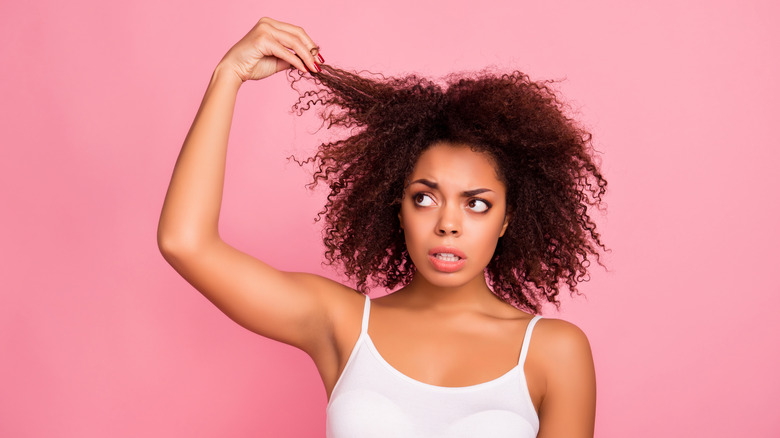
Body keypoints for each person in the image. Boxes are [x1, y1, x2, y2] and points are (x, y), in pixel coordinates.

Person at [158, 17, 606, 438]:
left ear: (508, 218)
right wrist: (228, 75)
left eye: (476, 204)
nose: (448, 224)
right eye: (425, 198)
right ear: (398, 207)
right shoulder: (344, 325)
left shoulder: (554, 351)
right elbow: (185, 242)